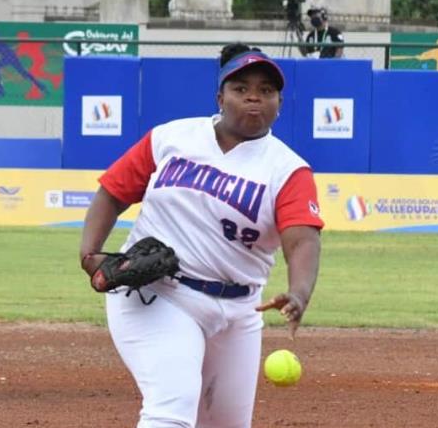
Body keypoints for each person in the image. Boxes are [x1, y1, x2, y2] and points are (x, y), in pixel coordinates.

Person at [80, 43, 324, 428]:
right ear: (220, 97)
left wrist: (299, 291)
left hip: (240, 311)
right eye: (241, 88)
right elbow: (113, 191)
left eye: (266, 90)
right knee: (171, 408)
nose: (254, 98)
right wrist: (89, 252)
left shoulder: (287, 170)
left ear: (279, 101)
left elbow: (303, 239)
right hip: (159, 293)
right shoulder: (173, 138)